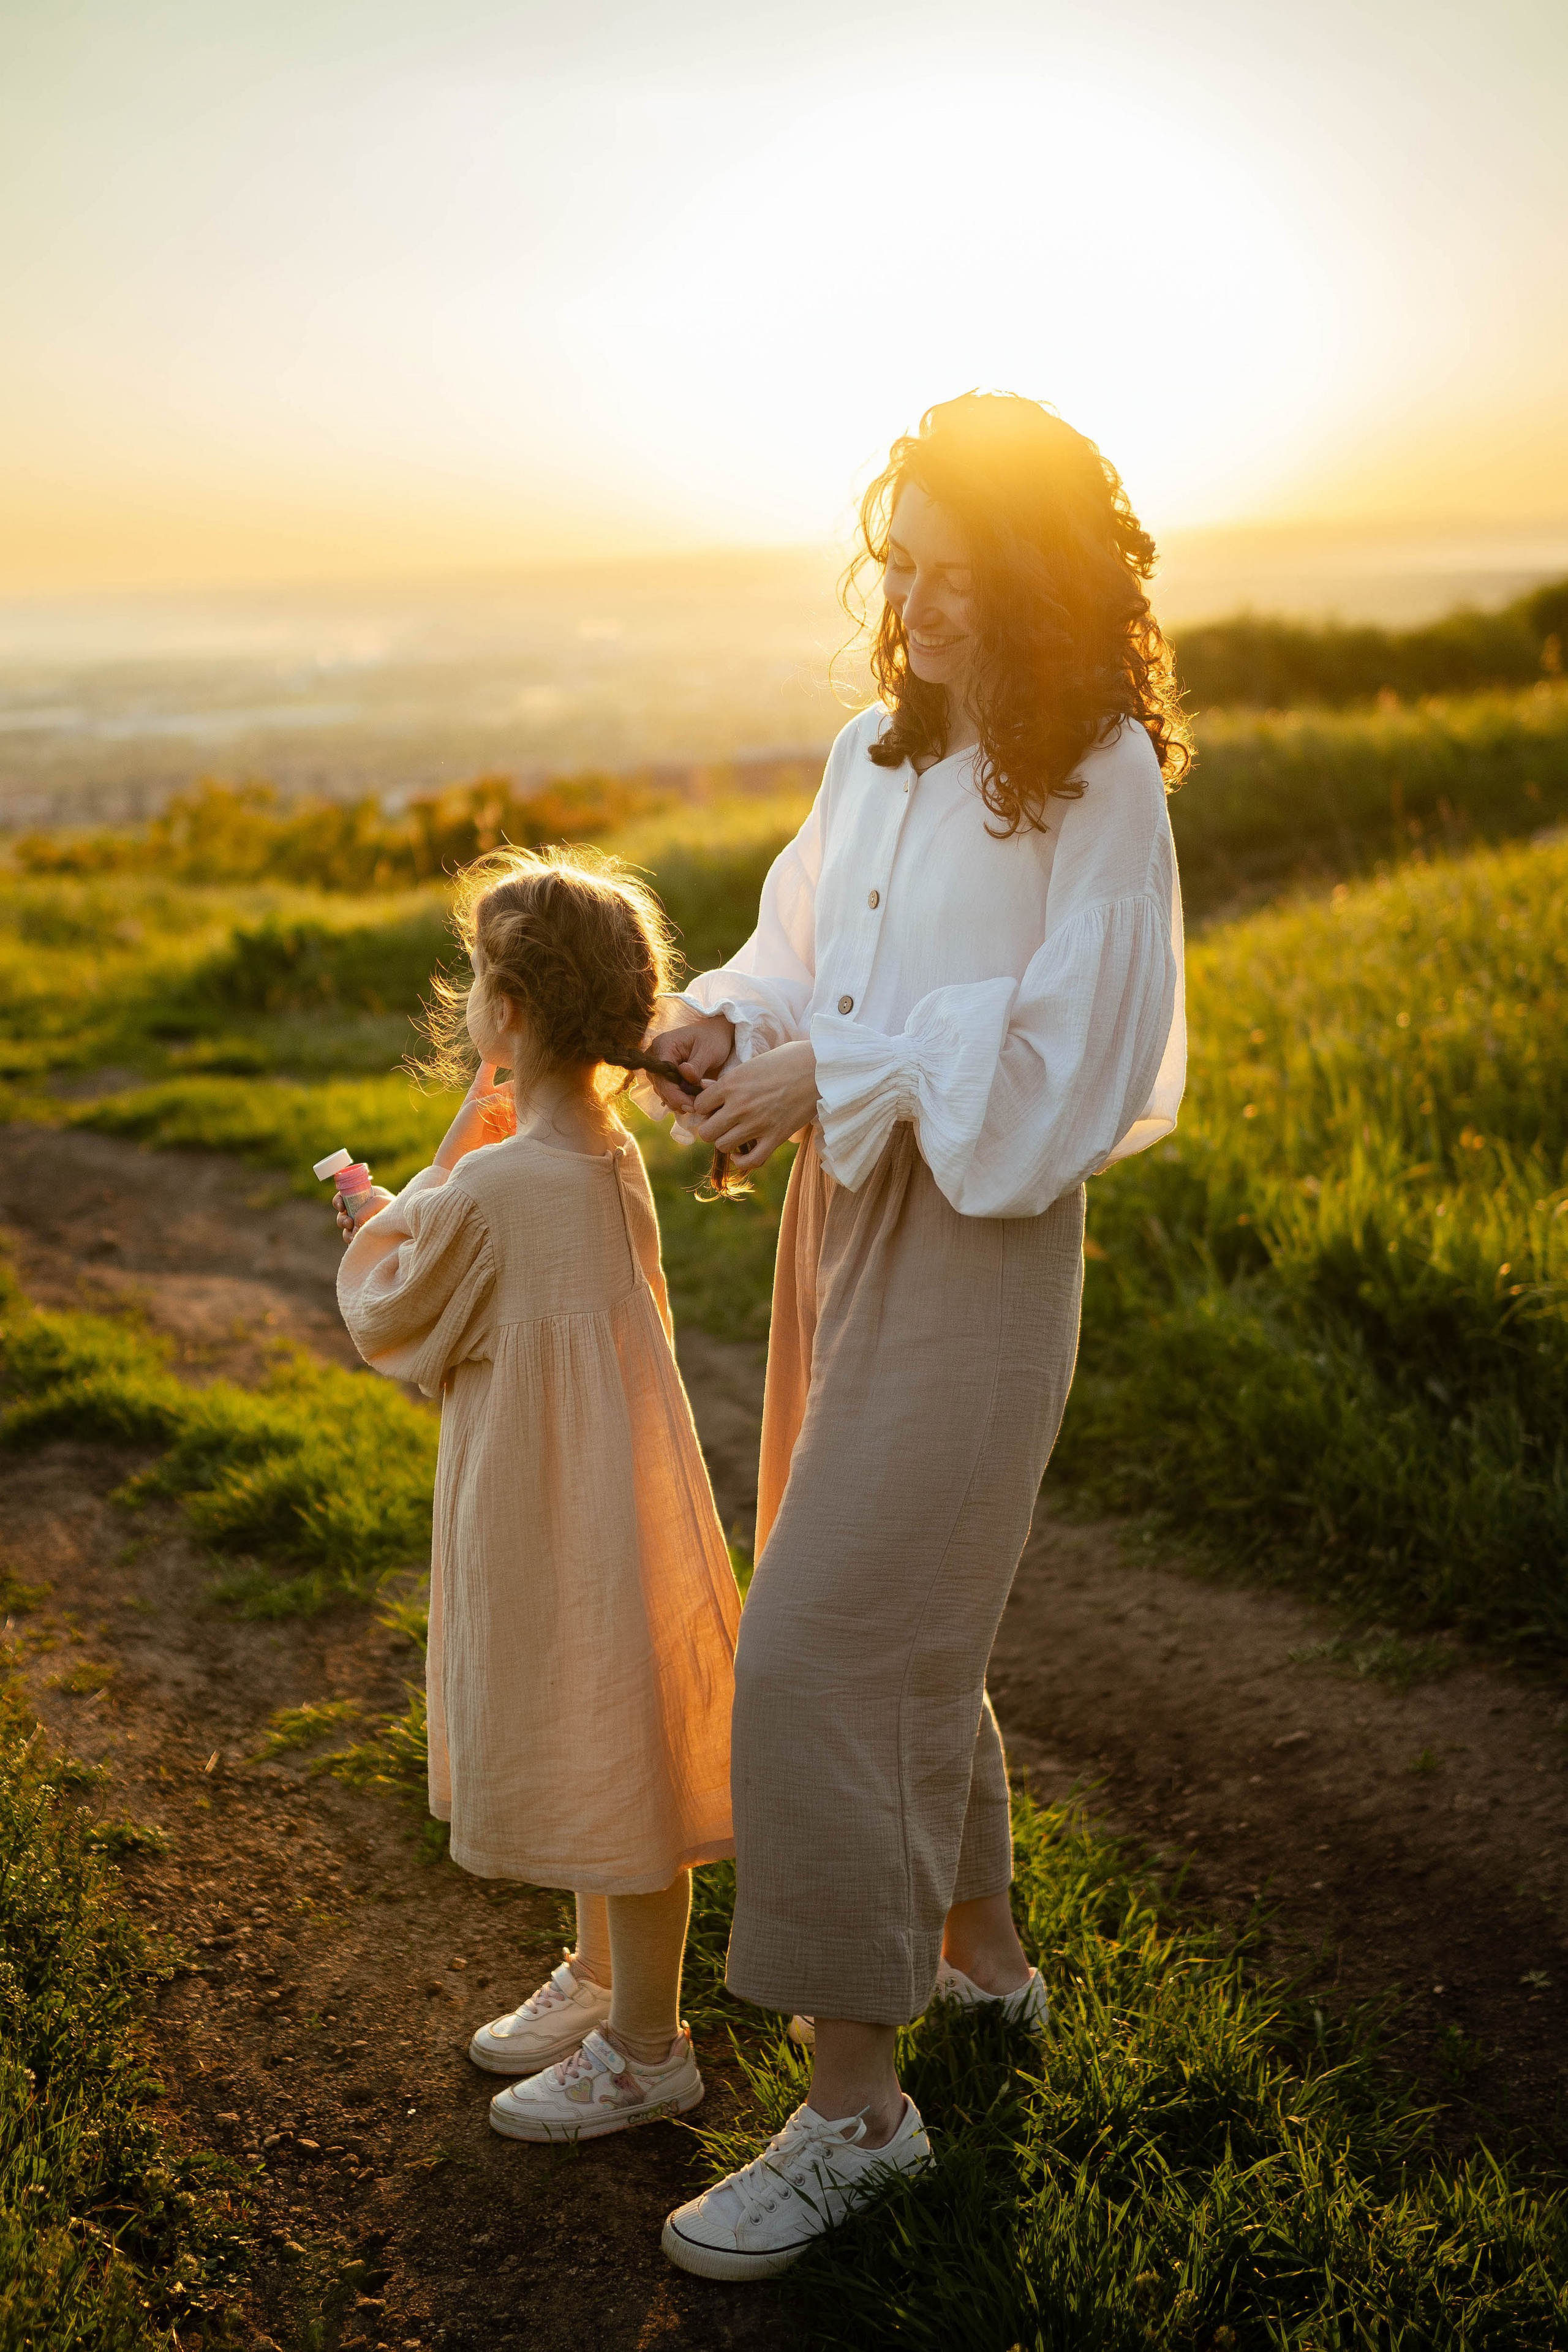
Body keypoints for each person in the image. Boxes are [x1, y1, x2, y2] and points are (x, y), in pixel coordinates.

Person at [639, 393, 1190, 2280]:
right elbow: (803, 955)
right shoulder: (872, 754)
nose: (926, 607)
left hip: (983, 1233)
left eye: (967, 576)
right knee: (889, 1616)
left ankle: (858, 2110)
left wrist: (830, 1066)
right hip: (842, 1222)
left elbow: (1071, 1072)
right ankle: (989, 1962)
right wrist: (728, 1024)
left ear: (1042, 582)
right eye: (903, 568)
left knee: (816, 1649)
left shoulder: (1100, 775)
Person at [335, 846, 741, 2143]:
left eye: (473, 979)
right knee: (609, 1720)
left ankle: (645, 2046)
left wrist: (410, 1176)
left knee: (610, 1738)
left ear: (505, 1013)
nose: (462, 998)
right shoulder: (606, 1154)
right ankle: (603, 1979)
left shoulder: (502, 1185)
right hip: (613, 1489)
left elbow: (388, 1310)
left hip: (543, 1493)